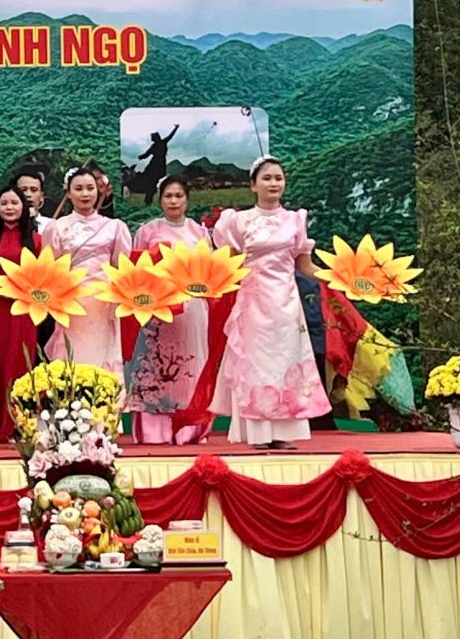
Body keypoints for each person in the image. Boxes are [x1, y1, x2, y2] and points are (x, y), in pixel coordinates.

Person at [209, 157, 330, 449]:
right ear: (253, 185)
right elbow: (227, 263)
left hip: (286, 306)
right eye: (266, 178)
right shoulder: (238, 221)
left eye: (278, 178)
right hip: (253, 304)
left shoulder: (295, 220)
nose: (273, 183)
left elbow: (305, 266)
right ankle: (258, 434)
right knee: (257, 365)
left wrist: (339, 277)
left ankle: (284, 432)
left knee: (286, 364)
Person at [126, 176, 211, 445]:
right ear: (160, 199)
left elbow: (209, 271)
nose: (174, 201)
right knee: (156, 364)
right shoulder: (147, 231)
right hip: (158, 309)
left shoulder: (199, 232)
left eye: (179, 196)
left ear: (187, 199)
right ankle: (154, 430)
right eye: (168, 196)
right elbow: (136, 272)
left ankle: (189, 427)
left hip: (192, 306)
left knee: (190, 363)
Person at [41, 168, 132, 374]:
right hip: (71, 303)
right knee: (72, 357)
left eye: (90, 188)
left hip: (104, 304)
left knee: (104, 358)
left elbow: (122, 268)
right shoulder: (56, 227)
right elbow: (49, 269)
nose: (85, 194)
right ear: (68, 193)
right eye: (78, 188)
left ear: (98, 191)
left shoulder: (114, 227)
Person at [0, 185, 43, 442]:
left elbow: (44, 275)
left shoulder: (36, 240)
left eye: (14, 203)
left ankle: (23, 424)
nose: (9, 207)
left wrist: (23, 288)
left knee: (22, 362)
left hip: (25, 309)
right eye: (4, 203)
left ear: (24, 207)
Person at [136, 125, 180, 205]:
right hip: (158, 165)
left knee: (151, 182)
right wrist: (141, 157)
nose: (151, 139)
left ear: (155, 138)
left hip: (155, 165)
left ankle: (149, 200)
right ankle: (149, 200)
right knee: (152, 182)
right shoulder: (160, 143)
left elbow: (146, 154)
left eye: (152, 137)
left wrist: (141, 157)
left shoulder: (158, 144)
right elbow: (146, 154)